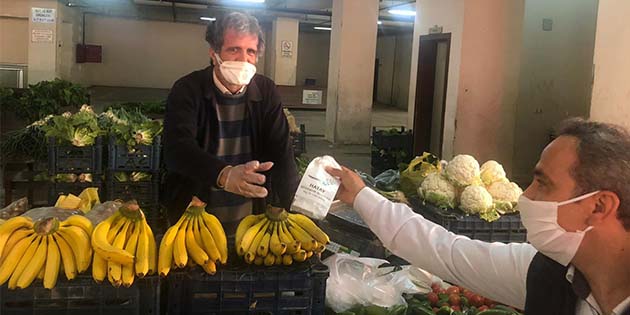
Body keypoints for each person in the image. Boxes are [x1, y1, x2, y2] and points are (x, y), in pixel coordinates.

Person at [327, 118, 630, 315]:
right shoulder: (547, 274)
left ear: (599, 207)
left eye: (543, 184)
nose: (526, 196)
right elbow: (445, 251)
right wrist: (360, 196)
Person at [163, 11, 298, 235]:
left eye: (250, 51)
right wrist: (224, 175)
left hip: (251, 218)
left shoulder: (266, 91)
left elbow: (282, 152)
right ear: (214, 53)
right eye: (234, 49)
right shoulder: (187, 90)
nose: (243, 59)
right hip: (194, 215)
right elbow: (177, 150)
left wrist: (297, 209)